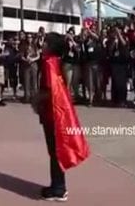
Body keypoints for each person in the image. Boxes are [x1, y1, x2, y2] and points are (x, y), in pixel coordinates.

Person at [36, 32, 90, 201]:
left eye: (45, 42)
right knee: (55, 150)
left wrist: (37, 101)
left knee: (55, 151)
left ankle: (59, 188)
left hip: (52, 114)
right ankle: (57, 185)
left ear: (51, 47)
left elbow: (50, 89)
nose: (42, 45)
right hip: (54, 112)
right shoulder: (54, 62)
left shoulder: (48, 63)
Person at [106, 26, 130, 107]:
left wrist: (119, 35)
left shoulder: (124, 38)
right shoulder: (110, 41)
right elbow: (109, 50)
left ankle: (122, 100)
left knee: (122, 84)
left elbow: (124, 44)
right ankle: (115, 100)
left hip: (122, 64)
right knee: (115, 83)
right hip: (114, 64)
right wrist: (114, 40)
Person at [20, 33, 40, 103]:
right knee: (26, 81)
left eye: (30, 37)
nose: (29, 38)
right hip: (26, 65)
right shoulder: (23, 46)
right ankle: (27, 97)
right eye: (28, 37)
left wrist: (33, 59)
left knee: (34, 82)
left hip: (34, 64)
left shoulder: (35, 46)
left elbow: (38, 56)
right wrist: (26, 60)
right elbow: (21, 56)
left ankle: (34, 97)